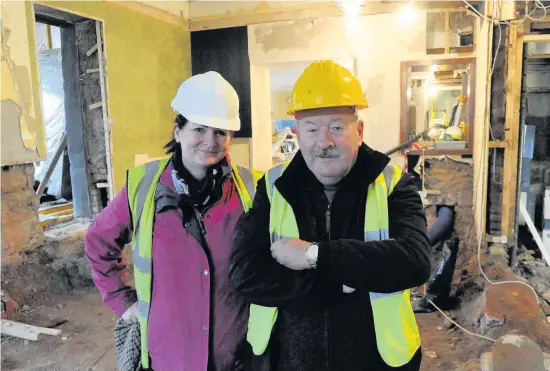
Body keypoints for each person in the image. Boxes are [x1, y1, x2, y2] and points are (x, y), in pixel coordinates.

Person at [229, 61, 431, 371]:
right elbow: (245, 273)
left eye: (337, 127)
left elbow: (414, 262)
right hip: (287, 362)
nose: (324, 142)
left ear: (359, 130)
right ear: (297, 134)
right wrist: (333, 286)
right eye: (311, 129)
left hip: (377, 362)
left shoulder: (392, 184)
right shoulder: (273, 187)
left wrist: (313, 255)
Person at [85, 71, 262, 370]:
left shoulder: (252, 187)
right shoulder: (144, 186)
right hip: (170, 356)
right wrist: (123, 302)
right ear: (177, 131)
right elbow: (98, 242)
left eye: (220, 131)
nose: (210, 141)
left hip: (235, 355)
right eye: (200, 129)